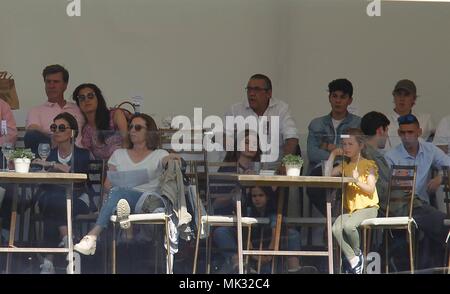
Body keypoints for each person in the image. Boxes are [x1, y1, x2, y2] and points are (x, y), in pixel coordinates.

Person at [74, 114, 176, 255]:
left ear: (149, 131)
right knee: (117, 192)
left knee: (120, 195)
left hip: (148, 201)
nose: (132, 130)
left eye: (138, 127)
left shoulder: (159, 154)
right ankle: (124, 228)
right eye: (130, 127)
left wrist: (172, 158)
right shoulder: (118, 154)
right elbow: (107, 185)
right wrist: (125, 188)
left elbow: (167, 161)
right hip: (120, 197)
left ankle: (97, 236)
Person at [384, 113, 449, 269]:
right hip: (403, 206)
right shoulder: (391, 156)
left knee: (439, 224)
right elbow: (392, 192)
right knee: (443, 223)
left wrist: (441, 177)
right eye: (403, 133)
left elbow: (448, 164)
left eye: (411, 132)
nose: (407, 137)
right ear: (399, 133)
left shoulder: (429, 149)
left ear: (419, 132)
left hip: (422, 206)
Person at [32, 112, 94, 274]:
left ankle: (48, 261)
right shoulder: (50, 152)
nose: (56, 131)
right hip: (55, 199)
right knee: (55, 201)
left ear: (72, 132)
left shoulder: (82, 154)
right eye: (54, 127)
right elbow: (46, 181)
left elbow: (78, 178)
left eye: (61, 127)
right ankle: (68, 239)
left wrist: (52, 165)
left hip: (78, 199)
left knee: (54, 205)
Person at [213, 186, 311, 274]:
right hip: (249, 248)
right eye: (254, 196)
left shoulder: (274, 212)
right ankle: (239, 265)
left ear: (267, 197)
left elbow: (275, 236)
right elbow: (245, 235)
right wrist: (254, 256)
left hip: (269, 248)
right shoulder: (248, 211)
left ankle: (294, 269)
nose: (257, 199)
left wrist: (268, 256)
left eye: (261, 195)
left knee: (293, 234)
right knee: (221, 232)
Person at [327, 128, 379, 274]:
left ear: (360, 146)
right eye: (344, 144)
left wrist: (356, 181)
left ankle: (356, 254)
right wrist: (332, 155)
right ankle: (355, 259)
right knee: (335, 228)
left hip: (368, 208)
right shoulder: (345, 165)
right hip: (351, 210)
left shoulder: (369, 164)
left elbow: (370, 189)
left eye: (350, 144)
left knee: (349, 226)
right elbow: (327, 175)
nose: (346, 147)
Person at [306, 78, 361, 215]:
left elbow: (356, 152)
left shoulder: (357, 123)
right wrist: (336, 153)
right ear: (329, 98)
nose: (338, 101)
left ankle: (334, 222)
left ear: (350, 100)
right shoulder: (316, 124)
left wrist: (329, 147)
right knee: (313, 185)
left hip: (346, 169)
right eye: (334, 96)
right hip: (321, 169)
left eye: (343, 97)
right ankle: (333, 219)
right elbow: (312, 153)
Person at [225, 74, 299, 161]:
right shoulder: (235, 110)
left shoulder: (281, 109)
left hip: (274, 168)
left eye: (257, 89)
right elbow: (223, 136)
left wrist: (285, 163)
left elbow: (292, 137)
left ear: (269, 93)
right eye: (249, 89)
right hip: (243, 168)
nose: (251, 94)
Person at [25, 64, 84, 154]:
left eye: (56, 82)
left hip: (77, 156)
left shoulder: (77, 109)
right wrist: (56, 136)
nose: (51, 86)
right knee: (32, 135)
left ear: (65, 85)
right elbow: (32, 131)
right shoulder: (36, 111)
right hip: (50, 155)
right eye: (48, 82)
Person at [72, 83, 128, 160]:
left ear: (98, 99)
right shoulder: (86, 131)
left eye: (90, 96)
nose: (86, 100)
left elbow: (127, 141)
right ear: (79, 104)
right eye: (82, 98)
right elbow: (89, 158)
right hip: (101, 170)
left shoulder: (115, 115)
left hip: (122, 166)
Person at [384, 79, 434, 150]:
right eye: (399, 94)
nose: (402, 98)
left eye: (406, 95)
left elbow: (439, 140)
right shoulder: (384, 121)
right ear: (394, 97)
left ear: (414, 99)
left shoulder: (426, 119)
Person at [360, 111, 391, 214]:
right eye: (386, 131)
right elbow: (382, 189)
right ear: (380, 130)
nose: (387, 136)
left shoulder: (361, 152)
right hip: (386, 208)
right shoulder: (370, 156)